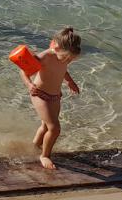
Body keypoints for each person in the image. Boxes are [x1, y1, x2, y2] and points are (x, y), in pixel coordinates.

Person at [21, 27, 82, 170]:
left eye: (71, 59)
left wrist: (70, 81)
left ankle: (34, 146)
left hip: (55, 96)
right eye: (67, 58)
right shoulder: (44, 57)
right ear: (56, 46)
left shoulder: (64, 56)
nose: (68, 61)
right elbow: (23, 71)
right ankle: (44, 156)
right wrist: (29, 85)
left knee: (45, 126)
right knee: (54, 129)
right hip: (40, 94)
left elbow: (63, 70)